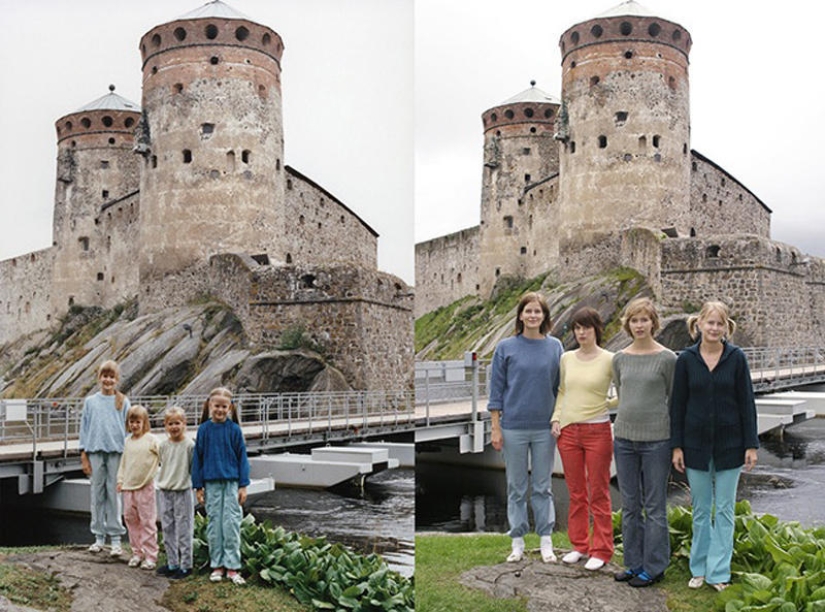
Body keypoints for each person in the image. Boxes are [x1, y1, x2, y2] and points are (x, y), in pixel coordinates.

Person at [671, 301, 759, 592]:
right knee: (700, 509)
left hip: (730, 445)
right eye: (710, 322)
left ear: (726, 327)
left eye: (720, 323)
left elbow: (747, 403)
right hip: (694, 445)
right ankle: (699, 568)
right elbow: (677, 405)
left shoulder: (736, 358)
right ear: (699, 325)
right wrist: (677, 446)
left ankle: (718, 572)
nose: (714, 328)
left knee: (723, 510)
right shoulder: (685, 360)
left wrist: (751, 444)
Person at [487, 291, 563, 563]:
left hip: (544, 428)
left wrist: (559, 418)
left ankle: (546, 540)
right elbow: (496, 392)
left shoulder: (555, 347)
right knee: (516, 487)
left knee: (543, 487)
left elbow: (560, 388)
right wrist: (495, 428)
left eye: (538, 311)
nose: (533, 315)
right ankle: (517, 541)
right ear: (520, 315)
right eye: (528, 311)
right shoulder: (505, 348)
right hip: (513, 428)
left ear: (544, 316)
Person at [612, 298, 676, 587]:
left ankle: (655, 566)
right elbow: (623, 394)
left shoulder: (667, 359)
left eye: (644, 320)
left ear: (653, 323)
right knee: (630, 505)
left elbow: (673, 400)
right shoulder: (620, 358)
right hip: (624, 439)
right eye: (634, 320)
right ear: (628, 324)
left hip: (656, 441)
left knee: (655, 506)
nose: (639, 325)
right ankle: (633, 563)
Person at [551, 307, 615, 571]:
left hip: (598, 430)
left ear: (596, 329)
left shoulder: (611, 359)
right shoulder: (566, 358)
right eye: (577, 328)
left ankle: (601, 549)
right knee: (576, 492)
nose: (581, 332)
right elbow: (563, 391)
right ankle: (579, 545)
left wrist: (604, 405)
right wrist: (556, 417)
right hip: (568, 431)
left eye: (586, 328)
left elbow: (623, 391)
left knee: (598, 491)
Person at [192, 388, 251, 585]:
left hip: (232, 483)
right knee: (214, 524)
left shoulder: (234, 430)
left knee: (231, 523)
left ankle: (233, 567)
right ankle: (217, 565)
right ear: (210, 406)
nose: (220, 410)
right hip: (212, 484)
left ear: (230, 408)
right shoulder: (204, 430)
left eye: (223, 407)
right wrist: (198, 486)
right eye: (216, 406)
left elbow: (243, 458)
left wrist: (243, 485)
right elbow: (197, 459)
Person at [79, 359, 129, 557]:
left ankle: (116, 539)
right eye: (104, 376)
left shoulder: (123, 401)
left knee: (114, 495)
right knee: (97, 495)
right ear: (99, 378)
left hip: (117, 452)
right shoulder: (91, 402)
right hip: (95, 452)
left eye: (111, 376)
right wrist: (83, 454)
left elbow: (128, 429)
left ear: (116, 379)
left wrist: (128, 455)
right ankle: (98, 537)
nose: (107, 380)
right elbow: (84, 429)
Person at [117, 404, 160, 570]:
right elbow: (124, 463)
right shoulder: (128, 441)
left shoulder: (152, 440)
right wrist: (120, 480)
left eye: (138, 422)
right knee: (130, 519)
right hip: (128, 487)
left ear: (144, 422)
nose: (134, 425)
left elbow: (164, 454)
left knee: (147, 520)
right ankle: (137, 552)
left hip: (145, 486)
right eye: (131, 422)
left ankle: (150, 555)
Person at [156, 406, 195, 580]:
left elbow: (193, 467)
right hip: (165, 491)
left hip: (182, 491)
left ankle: (186, 564)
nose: (174, 427)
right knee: (167, 528)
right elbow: (160, 464)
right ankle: (172, 562)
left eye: (177, 423)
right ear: (165, 426)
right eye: (170, 424)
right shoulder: (163, 445)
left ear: (184, 424)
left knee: (184, 528)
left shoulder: (189, 445)